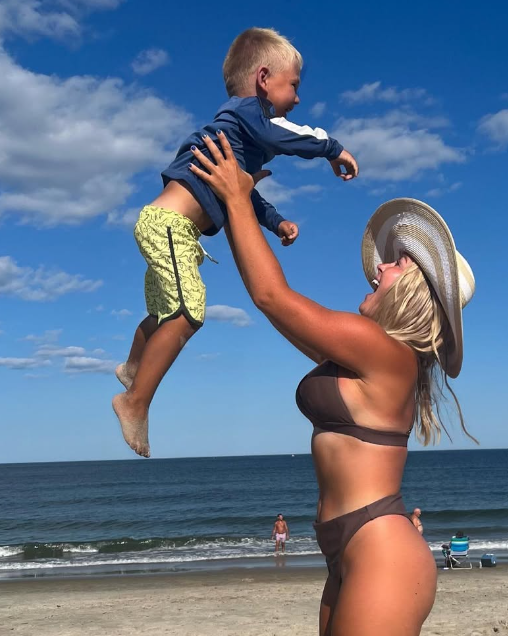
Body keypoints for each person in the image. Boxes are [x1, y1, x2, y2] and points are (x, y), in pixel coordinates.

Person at [188, 130, 474, 636]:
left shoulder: (387, 352)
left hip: (381, 555)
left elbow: (271, 297)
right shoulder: (363, 351)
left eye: (396, 263)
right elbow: (282, 308)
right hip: (348, 555)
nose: (379, 266)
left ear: (413, 290)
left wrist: (239, 199)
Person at [112, 27, 360, 458]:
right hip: (169, 225)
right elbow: (281, 136)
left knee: (164, 312)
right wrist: (331, 148)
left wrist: (276, 222)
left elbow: (243, 195)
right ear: (263, 79)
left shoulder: (239, 139)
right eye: (293, 86)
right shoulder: (244, 112)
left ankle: (134, 368)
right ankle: (135, 401)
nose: (297, 98)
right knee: (188, 313)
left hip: (170, 229)